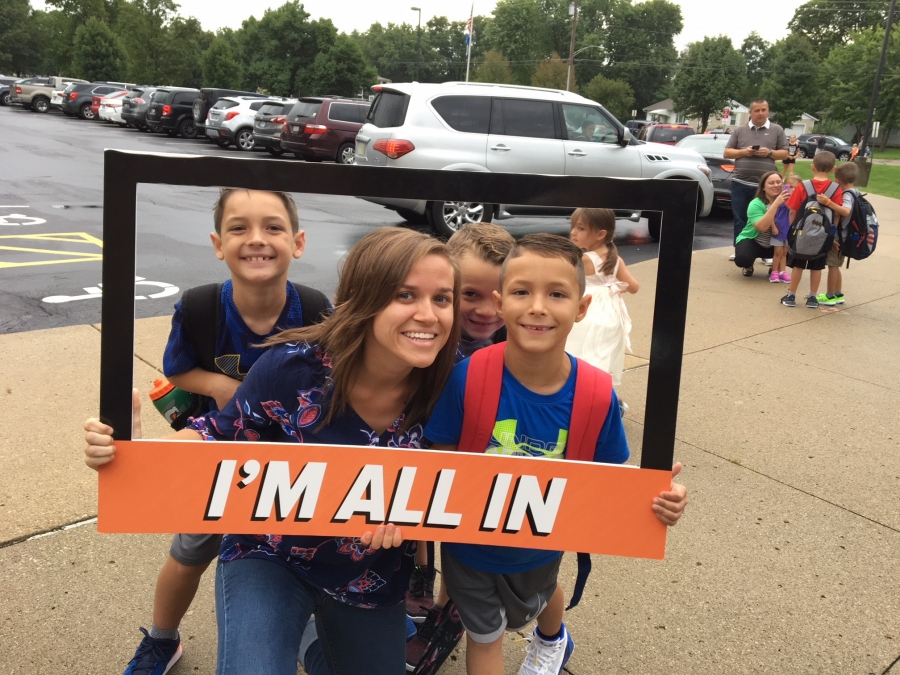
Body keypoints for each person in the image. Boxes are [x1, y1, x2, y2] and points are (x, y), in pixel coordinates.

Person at [84, 227, 462, 675]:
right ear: (365, 298)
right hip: (269, 554)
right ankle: (287, 630)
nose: (429, 314)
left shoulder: (452, 383)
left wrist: (412, 512)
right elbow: (221, 434)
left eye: (442, 299)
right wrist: (131, 455)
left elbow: (466, 476)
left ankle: (311, 644)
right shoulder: (295, 366)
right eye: (405, 295)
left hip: (369, 573)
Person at [423, 234, 688, 675]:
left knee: (546, 595)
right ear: (501, 301)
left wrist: (657, 499)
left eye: (557, 294)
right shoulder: (466, 378)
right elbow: (440, 462)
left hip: (544, 549)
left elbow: (611, 483)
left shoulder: (595, 394)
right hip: (470, 553)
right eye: (522, 291)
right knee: (484, 637)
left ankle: (552, 638)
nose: (538, 307)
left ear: (581, 308)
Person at [111, 189, 326, 675]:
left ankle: (288, 628)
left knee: (294, 552)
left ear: (298, 242)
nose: (256, 239)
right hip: (215, 452)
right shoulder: (202, 306)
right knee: (190, 551)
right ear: (217, 243)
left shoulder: (314, 310)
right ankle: (162, 640)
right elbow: (177, 369)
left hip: (288, 461)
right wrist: (220, 385)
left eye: (273, 227)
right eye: (238, 228)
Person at [405, 223, 516, 672]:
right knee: (420, 522)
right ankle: (419, 583)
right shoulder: (429, 333)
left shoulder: (519, 347)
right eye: (470, 294)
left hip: (480, 469)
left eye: (499, 295)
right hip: (424, 451)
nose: (487, 309)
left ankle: (450, 613)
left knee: (462, 551)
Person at [565, 208, 639, 387]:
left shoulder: (584, 259)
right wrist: (613, 288)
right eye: (573, 226)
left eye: (581, 228)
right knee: (600, 353)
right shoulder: (616, 259)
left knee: (578, 350)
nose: (573, 232)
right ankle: (602, 389)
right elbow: (634, 287)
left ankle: (578, 387)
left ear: (600, 234)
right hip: (611, 315)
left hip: (588, 312)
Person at [724, 99, 788, 261]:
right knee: (740, 218)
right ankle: (740, 249)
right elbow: (727, 153)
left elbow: (785, 154)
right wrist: (744, 152)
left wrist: (769, 153)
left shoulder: (777, 130)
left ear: (768, 111)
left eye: (764, 110)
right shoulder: (740, 130)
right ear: (750, 113)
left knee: (768, 218)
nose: (760, 113)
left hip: (765, 187)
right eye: (757, 110)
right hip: (740, 182)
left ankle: (765, 252)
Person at [781, 151, 843, 308]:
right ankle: (813, 298)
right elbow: (836, 214)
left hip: (801, 233)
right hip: (823, 235)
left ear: (812, 167)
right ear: (833, 169)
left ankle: (791, 296)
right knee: (817, 266)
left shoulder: (803, 186)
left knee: (798, 264)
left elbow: (793, 210)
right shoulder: (836, 189)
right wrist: (833, 234)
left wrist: (792, 229)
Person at [817, 162, 856, 306]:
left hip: (840, 237)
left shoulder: (847, 195)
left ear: (837, 179)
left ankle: (830, 296)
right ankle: (838, 293)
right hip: (847, 236)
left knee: (832, 265)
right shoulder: (855, 192)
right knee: (836, 265)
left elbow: (845, 211)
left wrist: (828, 202)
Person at [734, 171, 783, 279]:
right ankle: (748, 266)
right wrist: (775, 204)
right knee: (743, 258)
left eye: (778, 182)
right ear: (763, 187)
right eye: (771, 183)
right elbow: (762, 228)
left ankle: (775, 269)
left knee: (795, 248)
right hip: (754, 240)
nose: (776, 185)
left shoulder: (787, 202)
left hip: (776, 243)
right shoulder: (756, 203)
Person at [770, 175, 801, 283]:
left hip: (789, 231)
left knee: (784, 253)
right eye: (790, 187)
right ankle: (774, 272)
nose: (792, 190)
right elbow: (771, 215)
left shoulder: (797, 201)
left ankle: (782, 272)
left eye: (795, 188)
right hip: (778, 230)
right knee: (778, 252)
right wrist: (773, 227)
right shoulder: (779, 199)